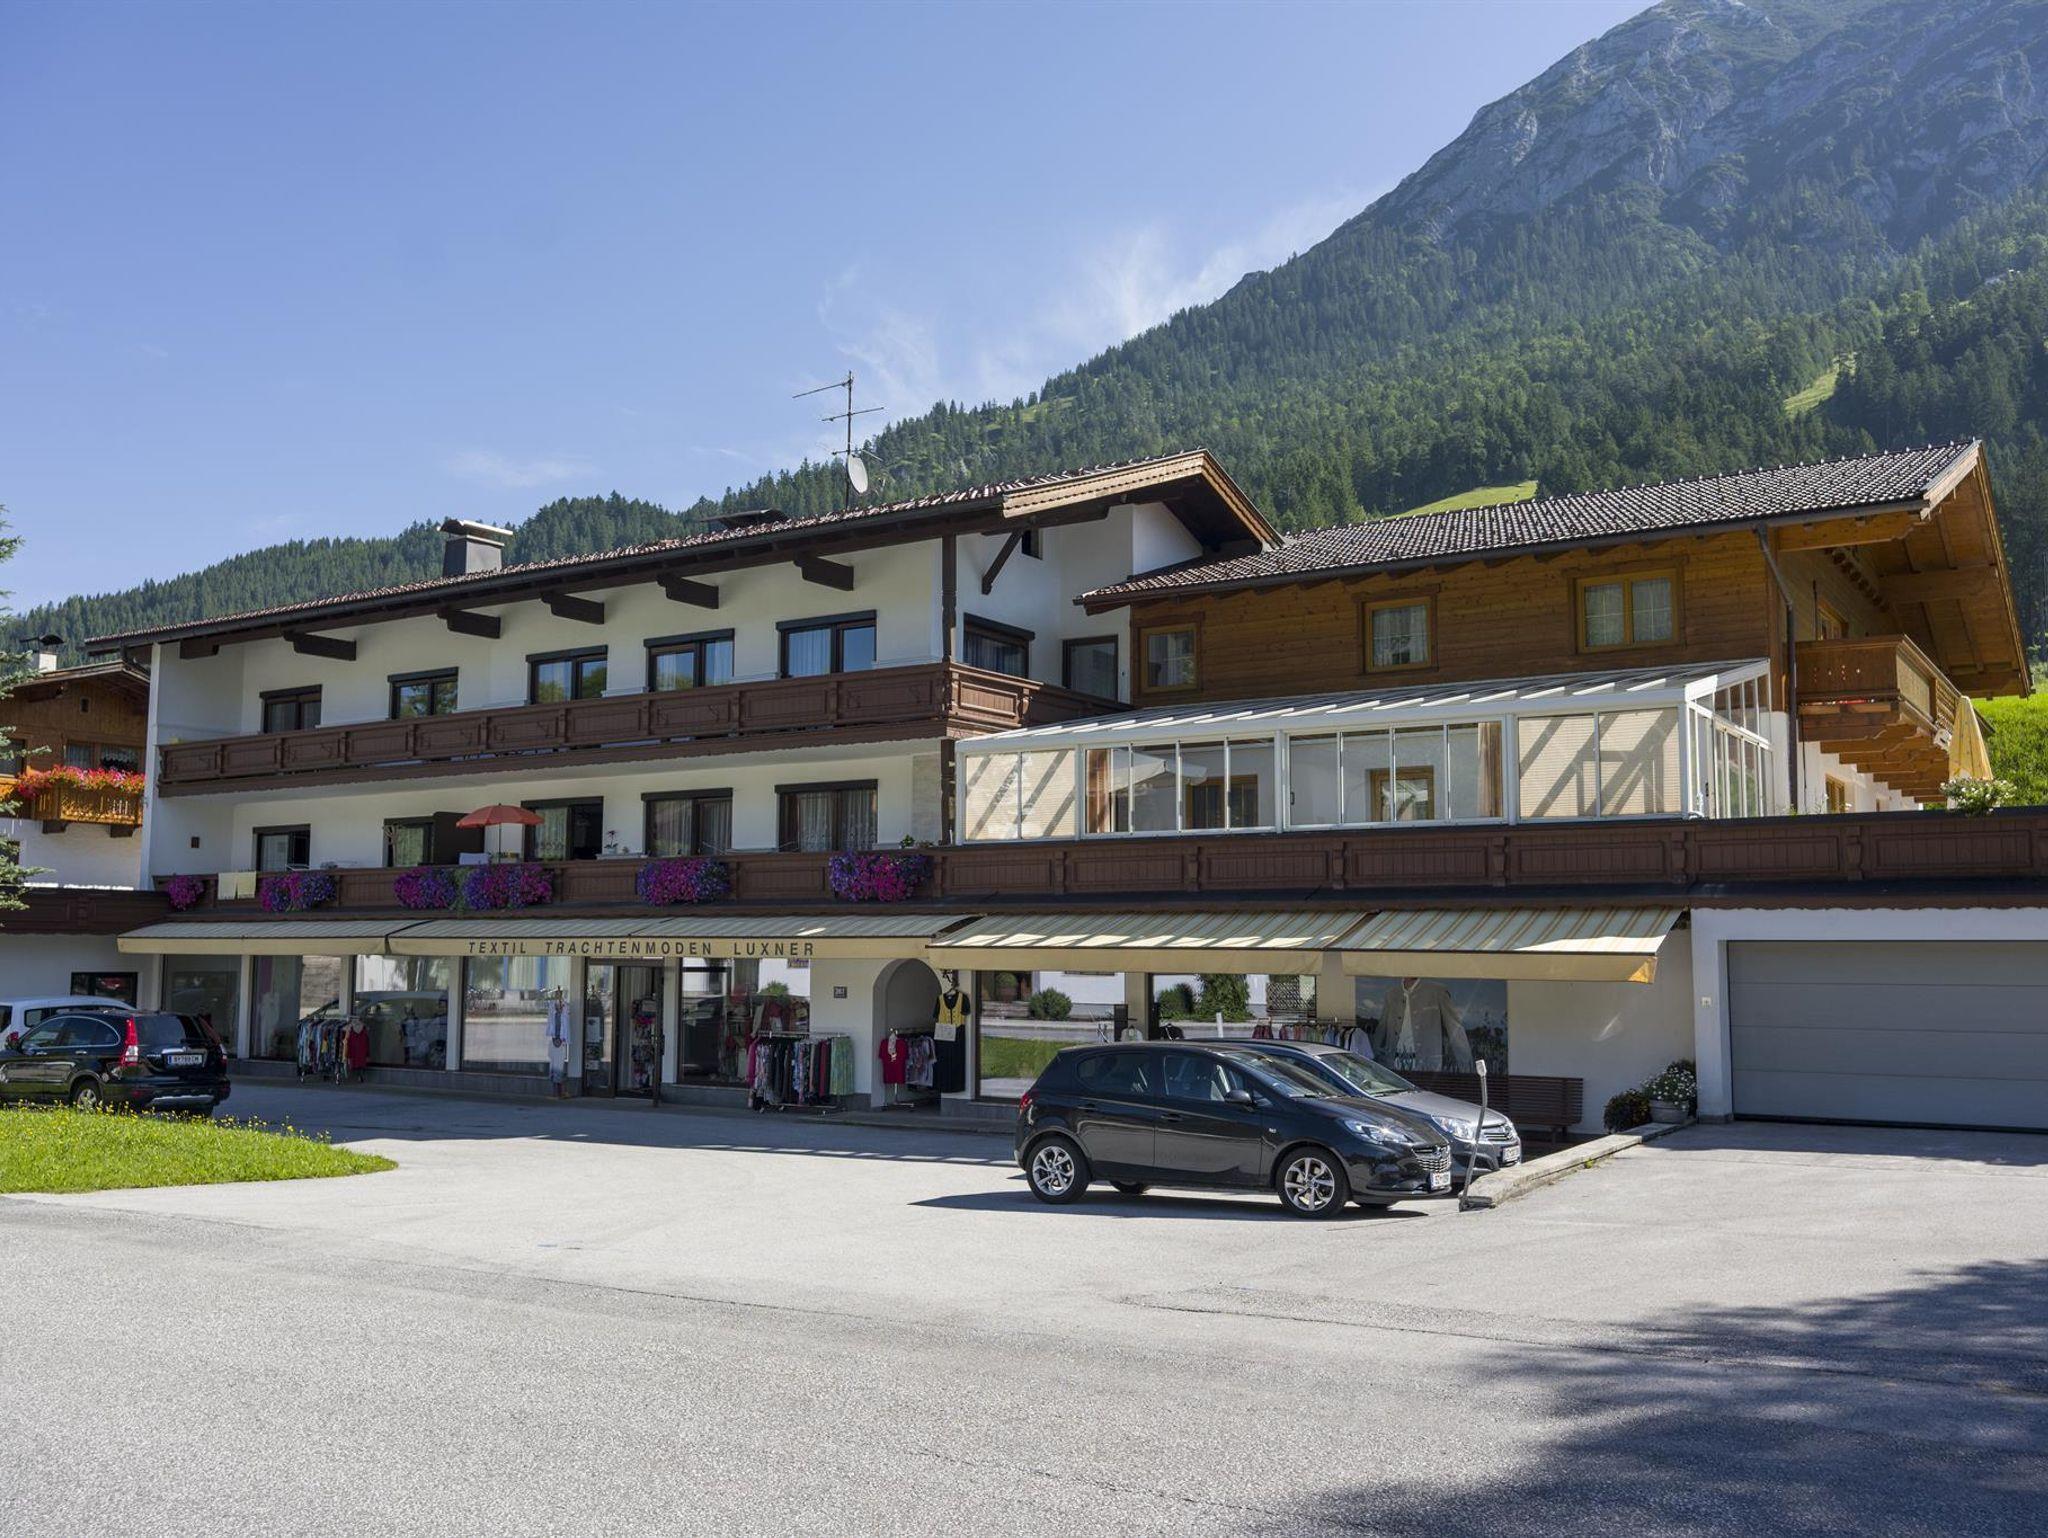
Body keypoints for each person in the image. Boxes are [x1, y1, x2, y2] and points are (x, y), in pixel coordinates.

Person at [1375, 977, 1473, 1072]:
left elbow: (1455, 1028)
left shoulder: (1437, 991)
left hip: (1427, 1067)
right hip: (1392, 1066)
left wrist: (1467, 1069)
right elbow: (1381, 1029)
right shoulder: (1391, 994)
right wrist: (1372, 1059)